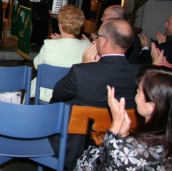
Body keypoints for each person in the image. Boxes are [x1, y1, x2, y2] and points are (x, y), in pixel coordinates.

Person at [51, 18, 140, 169]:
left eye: (97, 37)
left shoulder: (82, 72)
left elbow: (57, 94)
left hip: (79, 149)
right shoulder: (142, 74)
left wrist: (85, 66)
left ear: (104, 41)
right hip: (127, 149)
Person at [75, 66, 172, 170]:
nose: (136, 94)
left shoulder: (129, 154)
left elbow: (88, 166)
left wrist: (116, 125)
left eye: (138, 91)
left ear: (151, 107)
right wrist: (124, 136)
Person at [30, 5, 90, 102]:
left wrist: (58, 42)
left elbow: (37, 65)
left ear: (60, 25)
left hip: (50, 93)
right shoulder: (87, 45)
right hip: (75, 94)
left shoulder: (50, 45)